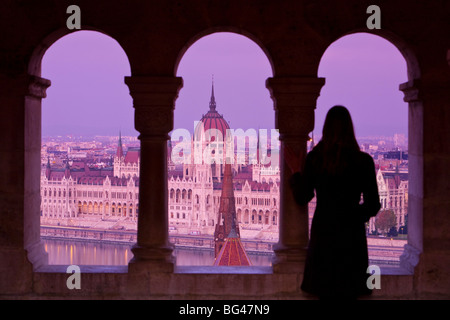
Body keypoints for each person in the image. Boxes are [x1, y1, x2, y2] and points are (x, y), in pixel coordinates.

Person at [284, 105, 381, 299]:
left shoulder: (316, 159)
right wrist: (353, 216)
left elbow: (303, 197)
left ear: (325, 129)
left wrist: (296, 171)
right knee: (352, 291)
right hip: (352, 238)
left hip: (323, 234)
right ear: (350, 129)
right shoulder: (364, 162)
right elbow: (373, 205)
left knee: (322, 291)